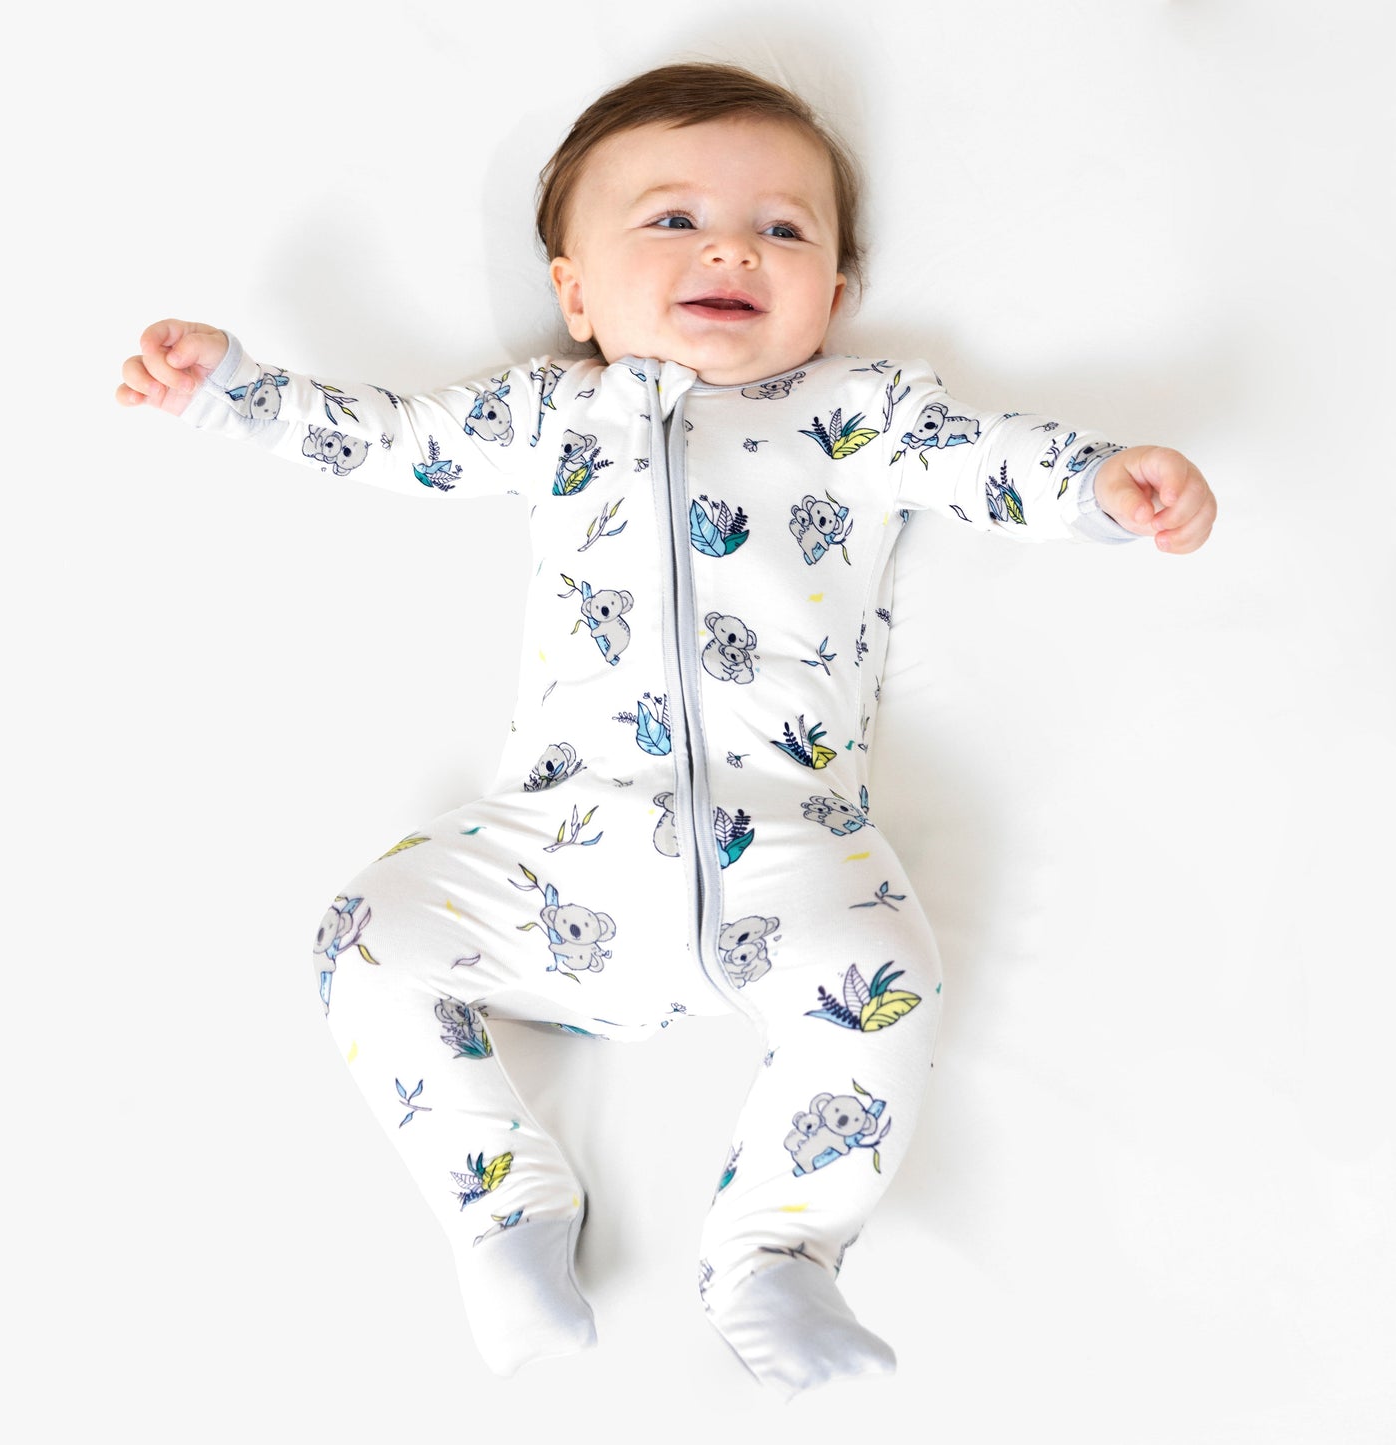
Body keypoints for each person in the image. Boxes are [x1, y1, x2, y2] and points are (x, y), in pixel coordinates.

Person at [115, 60, 1216, 1402]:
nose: (731, 249)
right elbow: (395, 440)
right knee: (361, 938)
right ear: (575, 291)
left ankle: (774, 1250)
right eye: (673, 218)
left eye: (783, 229)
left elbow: (989, 459)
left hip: (791, 838)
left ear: (834, 297)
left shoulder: (861, 415)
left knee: (889, 981)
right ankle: (500, 1205)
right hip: (555, 840)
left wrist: (1104, 487)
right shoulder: (545, 412)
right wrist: (235, 391)